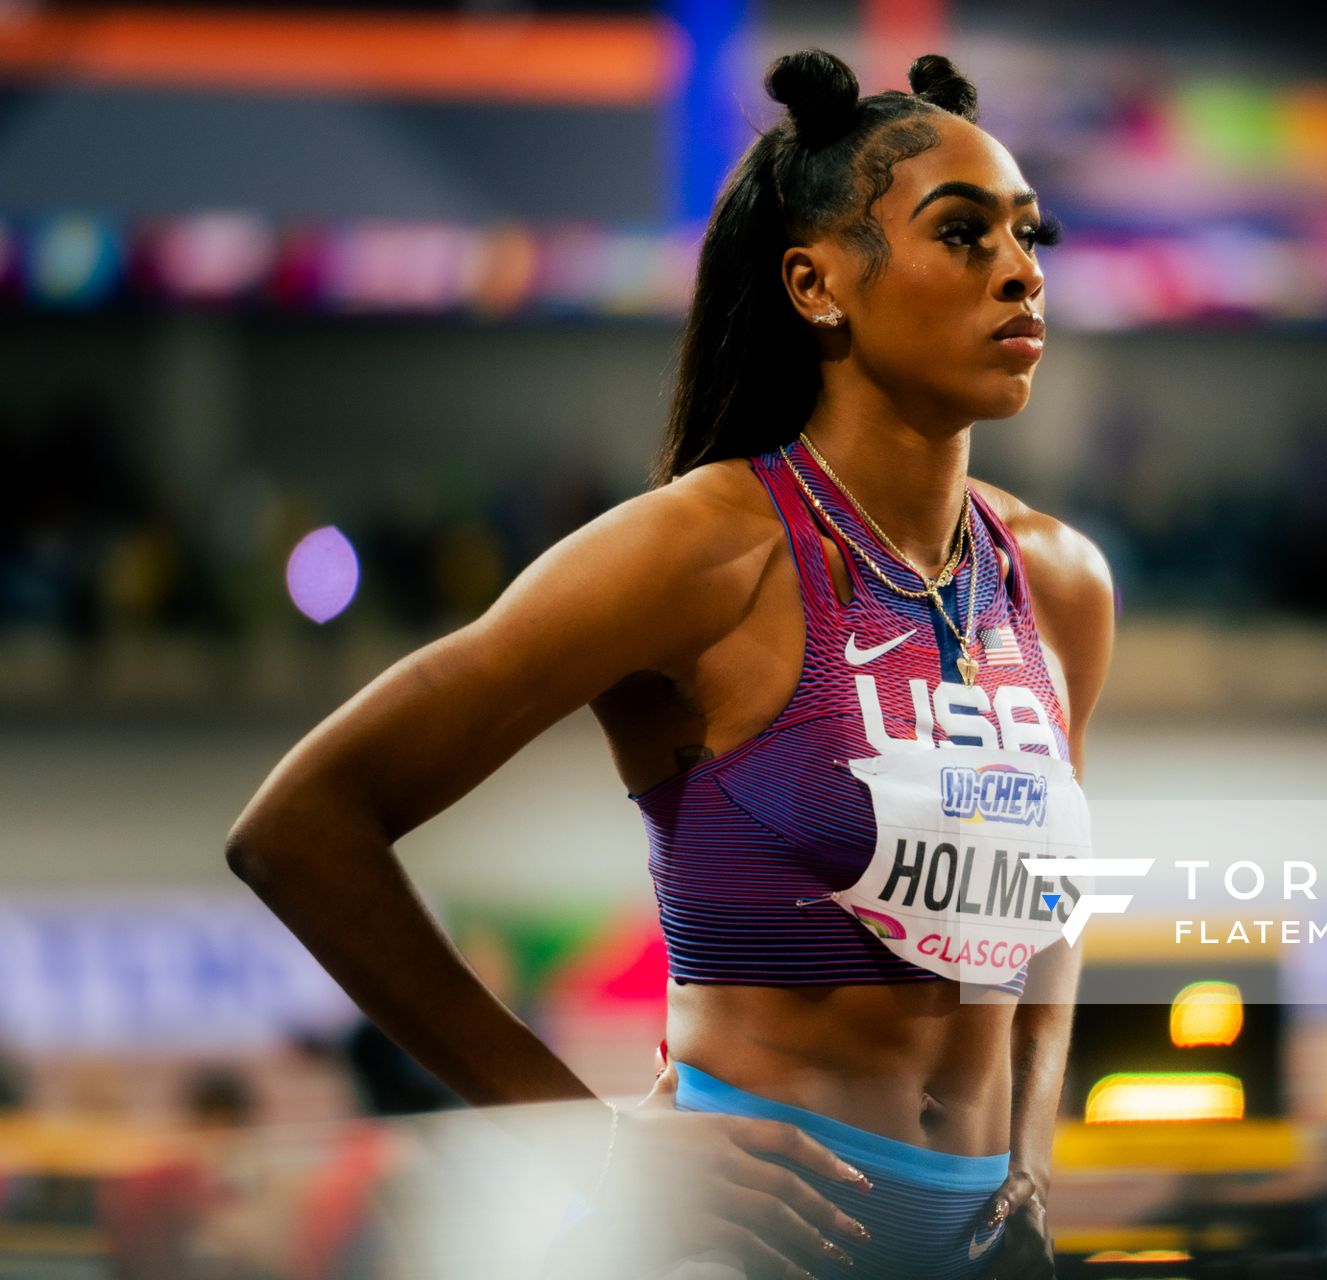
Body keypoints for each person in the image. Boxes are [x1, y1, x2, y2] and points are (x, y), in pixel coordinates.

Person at [225, 46, 1115, 1280]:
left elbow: (1052, 900)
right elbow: (300, 828)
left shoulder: (1060, 582)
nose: (1022, 272)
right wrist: (591, 1148)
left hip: (980, 1249)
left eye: (1031, 236)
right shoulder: (700, 553)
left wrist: (1033, 1154)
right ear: (818, 286)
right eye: (963, 235)